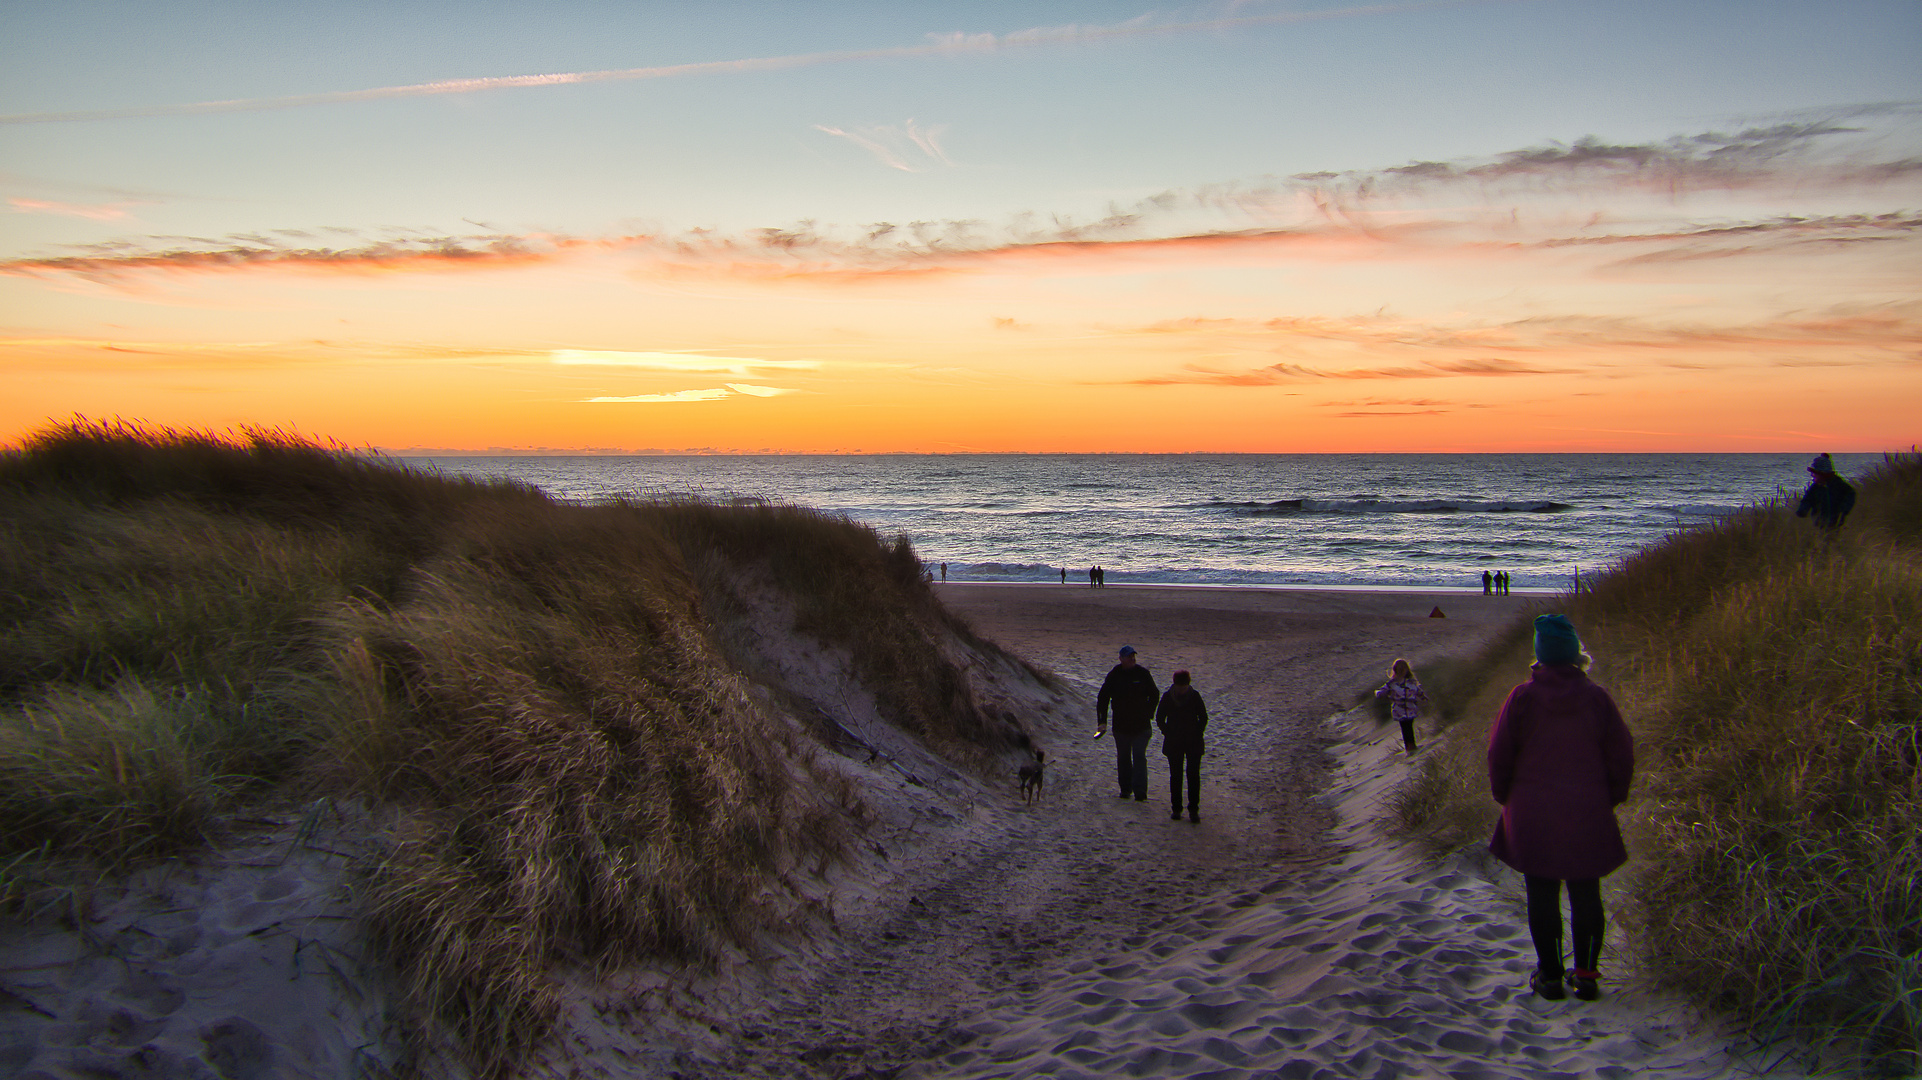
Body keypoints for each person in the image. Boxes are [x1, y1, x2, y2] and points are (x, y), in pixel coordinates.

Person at [1488, 614, 1635, 1003]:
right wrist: (1610, 798)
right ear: (1574, 655)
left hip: (1533, 810)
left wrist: (1507, 799)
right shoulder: (1597, 698)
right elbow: (1621, 756)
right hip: (1586, 808)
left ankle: (1551, 976)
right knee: (1586, 890)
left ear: (1540, 655)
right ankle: (1586, 975)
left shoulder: (1522, 698)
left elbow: (1499, 755)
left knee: (1541, 892)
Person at [1096, 645, 1159, 801]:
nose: (1132, 659)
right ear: (1121, 658)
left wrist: (1149, 713)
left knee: (1139, 756)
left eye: (1133, 656)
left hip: (1141, 726)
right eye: (1128, 656)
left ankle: (1140, 791)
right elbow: (1103, 698)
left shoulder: (1143, 674)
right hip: (1121, 725)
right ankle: (1125, 789)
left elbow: (1155, 694)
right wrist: (1102, 721)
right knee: (1123, 758)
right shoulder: (1114, 675)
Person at [1155, 670, 1209, 822]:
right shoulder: (1167, 697)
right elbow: (1159, 717)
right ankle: (1176, 808)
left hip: (1193, 743)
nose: (1181, 689)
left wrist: (1197, 733)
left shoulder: (1195, 696)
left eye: (1183, 686)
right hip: (1175, 742)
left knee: (1193, 776)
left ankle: (1193, 809)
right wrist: (1168, 732)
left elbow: (1203, 717)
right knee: (1176, 776)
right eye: (1179, 686)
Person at [1375, 658, 1428, 753]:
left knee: (1410, 727)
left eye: (1404, 668)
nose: (1402, 671)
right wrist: (1381, 694)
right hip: (1399, 710)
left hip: (1411, 708)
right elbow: (1380, 691)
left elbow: (1419, 691)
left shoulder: (1411, 682)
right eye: (1400, 669)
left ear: (1407, 669)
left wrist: (1424, 698)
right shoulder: (1392, 683)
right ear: (1395, 670)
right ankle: (1409, 748)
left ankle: (1412, 746)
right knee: (1405, 727)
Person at [1796, 454, 1857, 531]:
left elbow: (1851, 494)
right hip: (1819, 522)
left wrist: (1844, 509)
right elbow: (1807, 499)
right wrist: (1803, 510)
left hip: (1836, 521)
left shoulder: (1839, 484)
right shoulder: (1816, 487)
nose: (1813, 476)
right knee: (1820, 538)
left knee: (1833, 538)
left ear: (1823, 474)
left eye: (1815, 474)